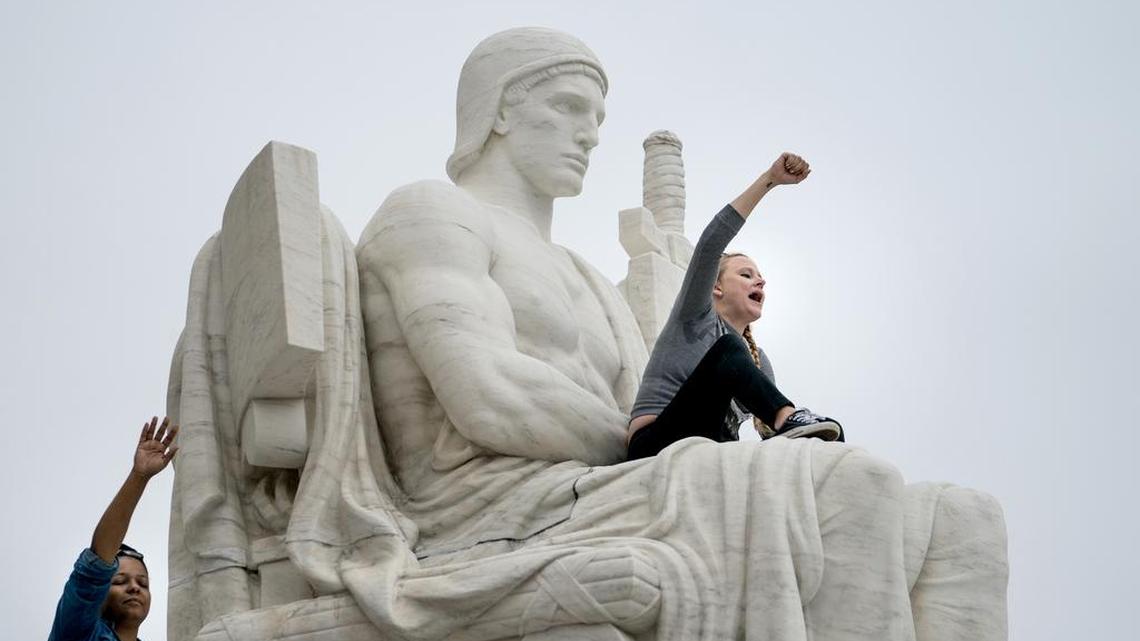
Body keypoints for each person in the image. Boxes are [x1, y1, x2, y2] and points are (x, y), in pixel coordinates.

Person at [627, 152, 843, 460]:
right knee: (729, 351)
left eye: (760, 277)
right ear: (716, 287)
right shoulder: (694, 317)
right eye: (746, 275)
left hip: (712, 446)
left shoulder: (757, 361)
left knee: (827, 446)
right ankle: (787, 415)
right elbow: (711, 243)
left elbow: (766, 433)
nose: (760, 282)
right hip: (655, 444)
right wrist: (769, 180)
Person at [48, 417, 179, 641]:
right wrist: (140, 477)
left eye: (143, 583)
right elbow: (95, 568)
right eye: (119, 581)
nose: (134, 588)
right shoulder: (79, 632)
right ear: (99, 595)